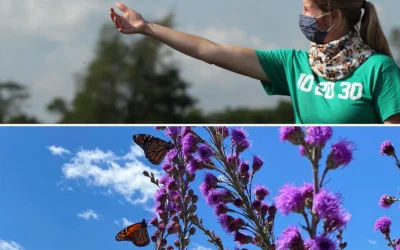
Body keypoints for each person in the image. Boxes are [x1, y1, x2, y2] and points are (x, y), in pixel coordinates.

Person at [109, 0, 400, 124]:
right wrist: (147, 28)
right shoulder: (292, 64)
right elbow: (211, 51)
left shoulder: (379, 70)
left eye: (307, 9)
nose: (302, 17)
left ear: (333, 17)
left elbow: (393, 149)